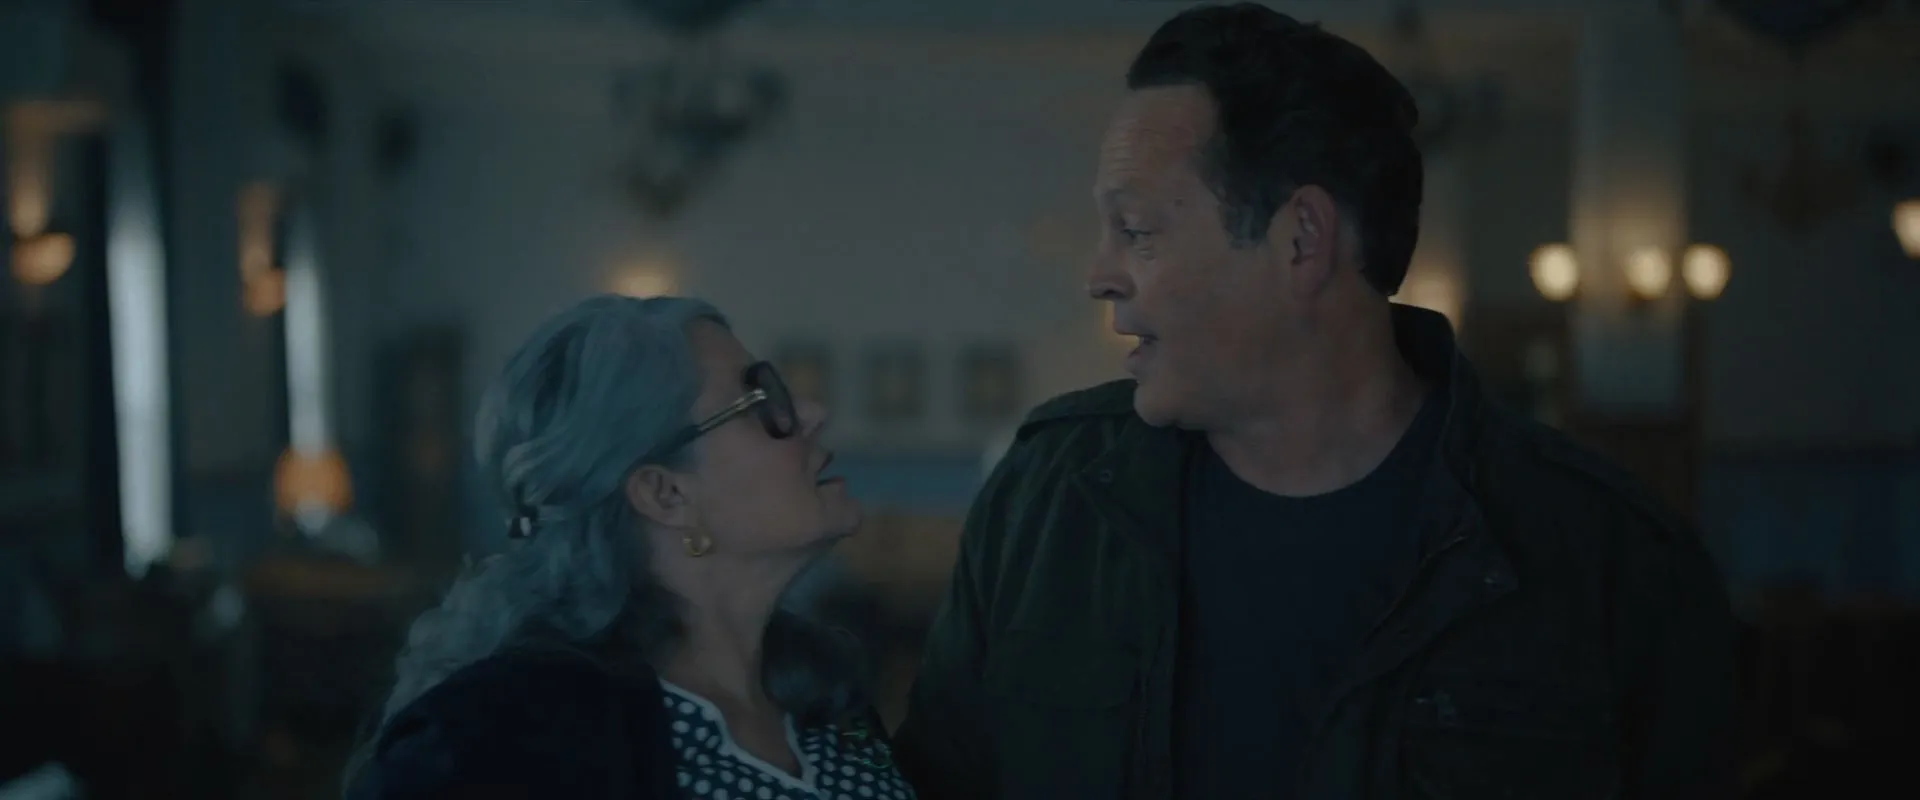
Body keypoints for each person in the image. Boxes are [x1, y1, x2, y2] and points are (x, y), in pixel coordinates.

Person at [892, 4, 1737, 799]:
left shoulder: (1608, 556)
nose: (1099, 275)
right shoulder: (1044, 504)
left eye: (1138, 230)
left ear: (1301, 239)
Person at [345, 295, 916, 800]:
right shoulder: (500, 739)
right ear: (665, 494)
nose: (813, 413)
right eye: (758, 400)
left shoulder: (823, 692)